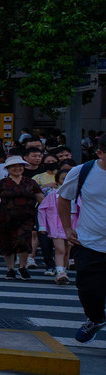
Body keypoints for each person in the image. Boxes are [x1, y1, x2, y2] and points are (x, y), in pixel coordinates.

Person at [57, 144, 105, 341]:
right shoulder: (82, 171)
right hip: (89, 244)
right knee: (89, 291)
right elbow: (63, 198)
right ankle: (95, 319)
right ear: (100, 153)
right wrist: (67, 228)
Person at [0, 154, 42, 280]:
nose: (17, 168)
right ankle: (10, 269)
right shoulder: (1, 183)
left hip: (26, 217)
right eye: (14, 166)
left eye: (20, 166)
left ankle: (22, 267)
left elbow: (41, 199)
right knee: (6, 243)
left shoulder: (31, 182)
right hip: (5, 217)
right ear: (8, 168)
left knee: (23, 241)